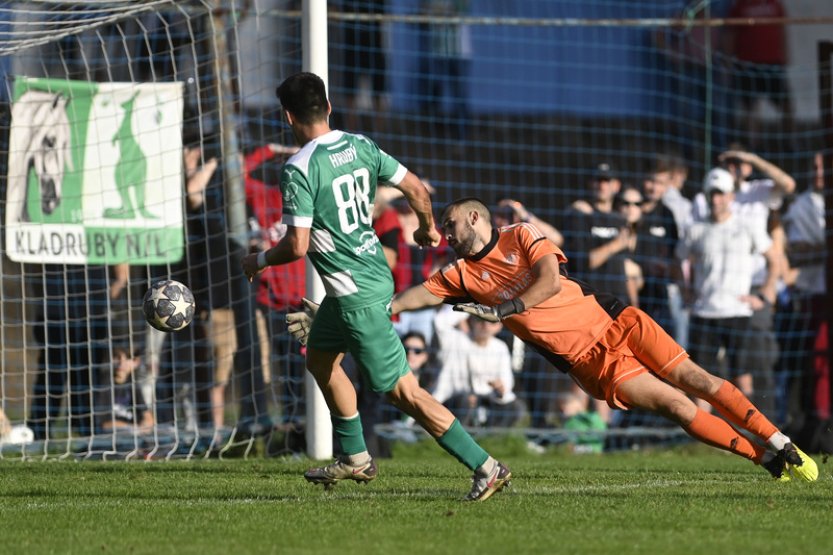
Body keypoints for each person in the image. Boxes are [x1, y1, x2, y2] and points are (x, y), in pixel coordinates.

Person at [292, 197, 817, 482]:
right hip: (591, 363)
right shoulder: (458, 275)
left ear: (476, 218)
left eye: (451, 226)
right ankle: (763, 459)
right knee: (679, 407)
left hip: (618, 320)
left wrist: (506, 309)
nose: (446, 236)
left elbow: (547, 281)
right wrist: (343, 309)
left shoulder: (521, 234)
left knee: (698, 379)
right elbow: (407, 299)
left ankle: (777, 439)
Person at [242, 72, 509, 501]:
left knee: (405, 392)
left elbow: (296, 245)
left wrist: (256, 261)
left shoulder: (298, 168)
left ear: (288, 116)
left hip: (355, 295)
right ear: (328, 107)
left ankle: (485, 465)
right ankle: (355, 458)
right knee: (322, 359)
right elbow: (415, 188)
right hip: (367, 278)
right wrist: (426, 229)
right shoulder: (361, 145)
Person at [678, 168, 778, 415]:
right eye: (712, 194)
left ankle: (749, 432)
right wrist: (686, 290)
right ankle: (703, 438)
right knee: (699, 378)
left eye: (721, 194)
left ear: (731, 196)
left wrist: (763, 295)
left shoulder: (747, 226)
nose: (716, 200)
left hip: (737, 312)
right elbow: (678, 261)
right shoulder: (695, 229)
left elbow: (775, 261)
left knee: (742, 376)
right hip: (705, 313)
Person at [432, 306, 524, 428]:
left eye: (491, 320)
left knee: (516, 407)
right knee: (464, 400)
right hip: (455, 399)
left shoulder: (500, 347)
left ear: (499, 326)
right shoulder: (456, 339)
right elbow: (440, 321)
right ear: (472, 321)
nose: (485, 325)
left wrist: (501, 387)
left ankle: (489, 439)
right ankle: (459, 439)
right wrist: (469, 304)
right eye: (480, 319)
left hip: (487, 399)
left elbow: (507, 381)